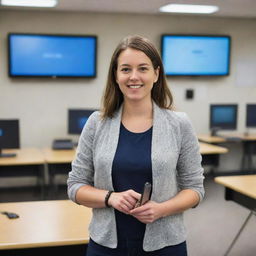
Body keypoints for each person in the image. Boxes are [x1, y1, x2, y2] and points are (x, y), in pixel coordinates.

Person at [67, 35, 204, 256]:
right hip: (106, 245)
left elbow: (195, 189)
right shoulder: (96, 123)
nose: (134, 77)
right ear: (115, 75)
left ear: (156, 74)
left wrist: (161, 210)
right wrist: (110, 197)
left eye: (142, 68)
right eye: (125, 69)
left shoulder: (179, 124)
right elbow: (75, 186)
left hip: (165, 244)